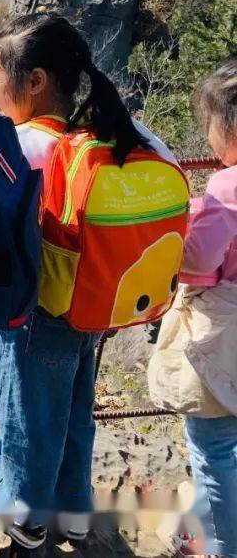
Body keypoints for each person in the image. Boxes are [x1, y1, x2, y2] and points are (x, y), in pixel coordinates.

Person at [0, 15, 176, 549]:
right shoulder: (104, 134)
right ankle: (72, 514)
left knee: (29, 426)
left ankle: (27, 527)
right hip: (91, 303)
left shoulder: (19, 145)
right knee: (71, 414)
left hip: (36, 314)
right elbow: (167, 163)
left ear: (36, 81)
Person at [154, 60, 237, 557]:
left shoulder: (226, 190)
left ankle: (222, 544)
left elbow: (196, 259)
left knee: (213, 450)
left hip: (222, 337)